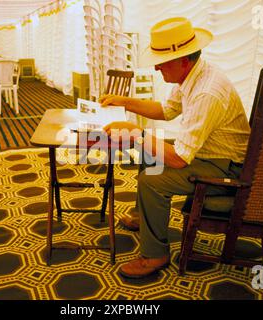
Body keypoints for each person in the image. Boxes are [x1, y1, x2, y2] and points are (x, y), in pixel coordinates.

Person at [99, 17, 251, 278]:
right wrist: (124, 101)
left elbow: (180, 158)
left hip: (227, 170)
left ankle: (155, 254)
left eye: (161, 61)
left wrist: (135, 132)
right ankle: (142, 215)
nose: (157, 68)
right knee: (151, 152)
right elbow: (166, 111)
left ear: (182, 61)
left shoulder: (207, 93)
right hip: (211, 155)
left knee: (151, 181)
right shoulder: (194, 74)